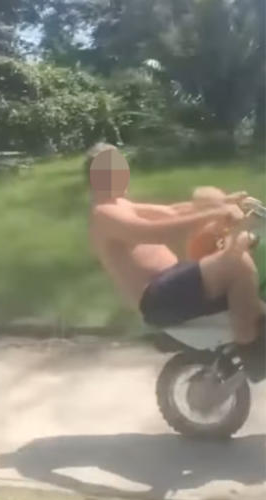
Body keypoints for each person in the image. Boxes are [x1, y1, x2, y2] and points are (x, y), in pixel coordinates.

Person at [85, 143, 264, 380]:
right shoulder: (104, 214)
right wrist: (213, 214)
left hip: (174, 282)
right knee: (235, 261)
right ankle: (250, 350)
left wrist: (221, 204)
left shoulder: (120, 205)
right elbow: (155, 231)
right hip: (158, 297)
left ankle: (256, 327)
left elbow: (173, 211)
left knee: (240, 253)